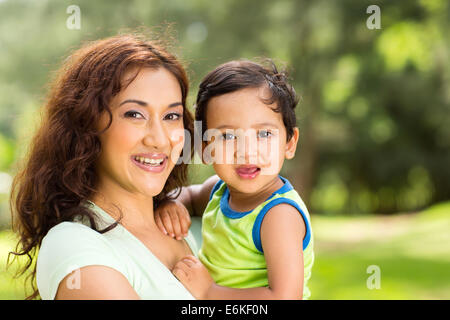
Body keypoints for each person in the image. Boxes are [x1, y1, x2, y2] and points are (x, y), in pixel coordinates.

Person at [9, 33, 198, 300]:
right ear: (87, 124)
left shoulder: (198, 225)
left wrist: (182, 202)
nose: (159, 139)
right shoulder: (74, 246)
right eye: (134, 114)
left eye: (171, 116)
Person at [154, 60, 314, 299]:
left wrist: (210, 291)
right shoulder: (218, 192)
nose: (247, 151)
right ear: (205, 148)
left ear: (289, 143)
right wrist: (170, 204)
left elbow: (284, 297)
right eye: (228, 136)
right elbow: (187, 196)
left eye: (264, 133)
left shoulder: (278, 215)